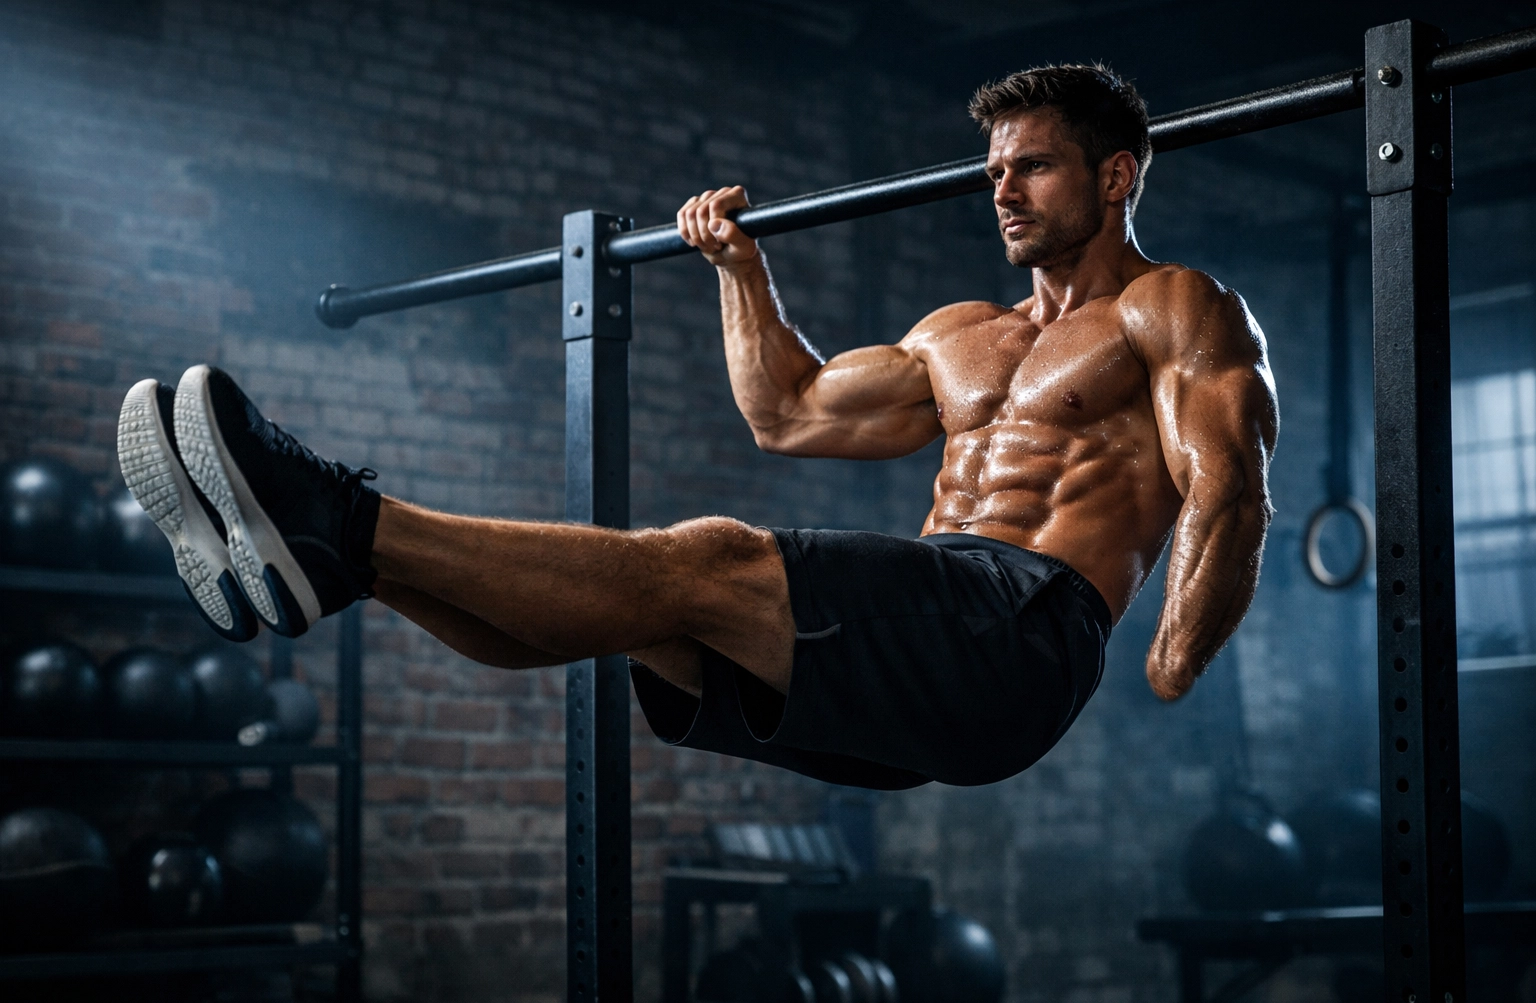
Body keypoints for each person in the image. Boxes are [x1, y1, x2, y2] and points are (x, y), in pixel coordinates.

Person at [118, 63, 1277, 791]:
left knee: (708, 558)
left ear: (1116, 174)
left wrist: (1174, 661)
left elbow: (1228, 483)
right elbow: (791, 412)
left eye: (1033, 167)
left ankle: (340, 516)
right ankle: (342, 565)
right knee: (640, 618)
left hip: (1021, 631)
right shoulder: (963, 334)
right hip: (931, 645)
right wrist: (740, 269)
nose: (1004, 191)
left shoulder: (1168, 305)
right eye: (993, 172)